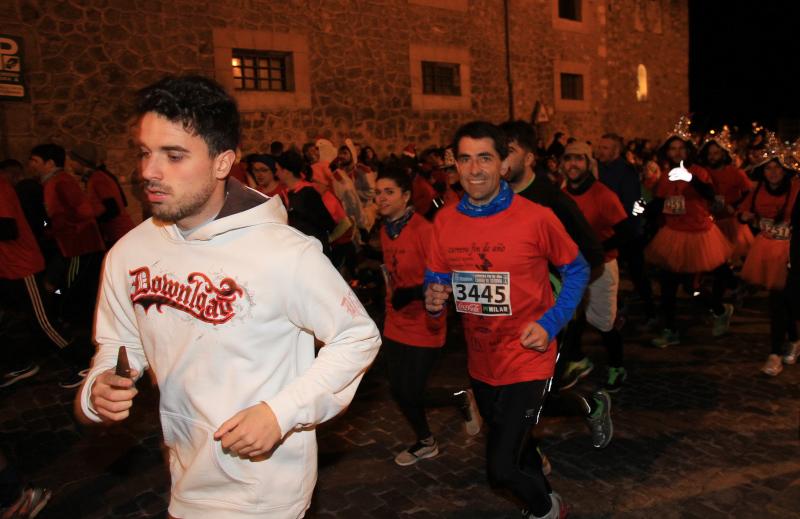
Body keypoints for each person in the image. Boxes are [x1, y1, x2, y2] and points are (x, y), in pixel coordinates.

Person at [74, 75, 381, 519]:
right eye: (145, 153)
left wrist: (281, 412)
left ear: (222, 163)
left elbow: (357, 337)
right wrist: (99, 387)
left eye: (174, 156)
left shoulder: (284, 253)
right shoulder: (129, 252)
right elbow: (119, 345)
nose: (149, 172)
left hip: (265, 489)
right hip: (185, 476)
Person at [425, 121, 589, 519]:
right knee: (521, 446)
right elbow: (437, 283)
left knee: (499, 469)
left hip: (528, 358)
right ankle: (544, 498)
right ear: (455, 165)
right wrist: (433, 301)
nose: (475, 169)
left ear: (502, 165)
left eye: (485, 158)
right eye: (465, 159)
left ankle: (548, 510)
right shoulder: (444, 222)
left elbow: (578, 270)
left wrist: (550, 323)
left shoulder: (536, 217)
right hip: (482, 362)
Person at [375, 167, 481, 467]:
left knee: (413, 391)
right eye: (378, 192)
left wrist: (410, 293)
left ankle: (458, 398)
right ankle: (426, 441)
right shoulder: (385, 230)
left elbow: (446, 278)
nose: (381, 198)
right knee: (398, 389)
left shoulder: (424, 230)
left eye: (389, 192)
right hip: (396, 320)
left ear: (406, 196)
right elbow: (392, 275)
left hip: (426, 320)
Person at [645, 118, 733, 347]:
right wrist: (641, 208)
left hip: (699, 234)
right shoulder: (665, 175)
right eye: (672, 148)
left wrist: (690, 178)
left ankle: (720, 309)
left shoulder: (699, 171)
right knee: (668, 287)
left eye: (681, 147)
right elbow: (660, 201)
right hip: (673, 234)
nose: (676, 152)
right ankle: (670, 329)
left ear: (688, 150)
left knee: (694, 285)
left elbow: (709, 194)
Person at [28, 143, 105, 388]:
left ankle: (86, 357)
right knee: (63, 291)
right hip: (70, 246)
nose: (31, 165)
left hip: (79, 247)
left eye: (35, 160)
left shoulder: (61, 182)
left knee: (75, 296)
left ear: (49, 163)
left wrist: (58, 228)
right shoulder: (54, 182)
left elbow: (85, 211)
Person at [562, 141, 630, 392]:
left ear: (589, 164)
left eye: (579, 159)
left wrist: (596, 249)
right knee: (571, 317)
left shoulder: (604, 195)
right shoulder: (562, 194)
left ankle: (617, 366)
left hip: (601, 267)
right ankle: (578, 360)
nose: (573, 164)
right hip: (571, 268)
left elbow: (626, 231)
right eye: (568, 158)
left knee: (604, 322)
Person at [737, 134, 799, 375]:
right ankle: (776, 352)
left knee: (788, 301)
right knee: (777, 301)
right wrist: (747, 217)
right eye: (768, 168)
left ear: (785, 170)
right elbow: (742, 211)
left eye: (777, 168)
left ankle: (792, 340)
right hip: (766, 248)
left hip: (791, 250)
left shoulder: (795, 189)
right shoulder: (758, 190)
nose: (772, 173)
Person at [595, 132, 656, 324]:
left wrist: (630, 227)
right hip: (607, 229)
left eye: (605, 148)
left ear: (615, 151)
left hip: (626, 230)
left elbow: (630, 204)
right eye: (600, 146)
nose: (600, 151)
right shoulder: (597, 169)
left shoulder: (625, 172)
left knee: (636, 272)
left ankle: (650, 311)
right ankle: (613, 310)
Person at [67, 141, 135, 248]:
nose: (70, 164)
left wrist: (90, 221)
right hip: (116, 235)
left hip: (119, 235)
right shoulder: (95, 178)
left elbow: (112, 209)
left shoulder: (98, 179)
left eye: (73, 161)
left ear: (82, 162)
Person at [275, 150, 337, 259]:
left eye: (278, 170)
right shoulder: (289, 193)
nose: (276, 173)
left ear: (286, 172)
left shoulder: (308, 193)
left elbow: (328, 223)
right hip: (302, 250)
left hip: (315, 251)